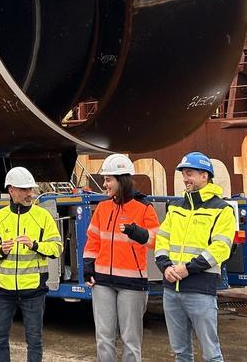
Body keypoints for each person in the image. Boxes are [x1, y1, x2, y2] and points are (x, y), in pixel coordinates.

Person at [155, 152, 236, 362]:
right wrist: (165, 267)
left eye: (189, 173)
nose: (185, 178)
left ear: (204, 175)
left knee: (211, 354)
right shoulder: (175, 207)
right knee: (181, 353)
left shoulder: (222, 210)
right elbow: (162, 239)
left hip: (200, 290)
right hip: (171, 289)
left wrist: (187, 268)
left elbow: (221, 248)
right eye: (183, 174)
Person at [83, 154, 159, 362]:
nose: (105, 184)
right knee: (104, 339)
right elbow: (93, 240)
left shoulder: (144, 207)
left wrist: (138, 233)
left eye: (108, 180)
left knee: (131, 341)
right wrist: (89, 266)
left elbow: (156, 240)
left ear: (122, 180)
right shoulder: (103, 207)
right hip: (102, 282)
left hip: (132, 283)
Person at [0, 166, 62, 362]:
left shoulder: (42, 216)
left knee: (34, 341)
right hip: (4, 290)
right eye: (24, 189)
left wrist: (35, 245)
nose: (30, 193)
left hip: (34, 291)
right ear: (11, 190)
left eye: (31, 189)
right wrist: (1, 249)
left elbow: (57, 248)